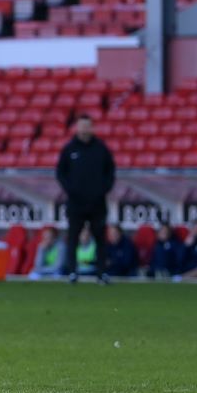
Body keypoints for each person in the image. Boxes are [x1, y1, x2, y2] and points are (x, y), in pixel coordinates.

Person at [56, 114, 116, 285]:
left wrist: (103, 190)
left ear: (92, 128)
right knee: (73, 237)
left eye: (87, 126)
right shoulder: (69, 149)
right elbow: (61, 173)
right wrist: (71, 190)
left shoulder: (101, 149)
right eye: (82, 126)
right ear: (77, 128)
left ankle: (101, 273)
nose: (84, 129)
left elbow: (110, 172)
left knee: (100, 239)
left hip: (97, 202)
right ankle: (72, 272)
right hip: (76, 203)